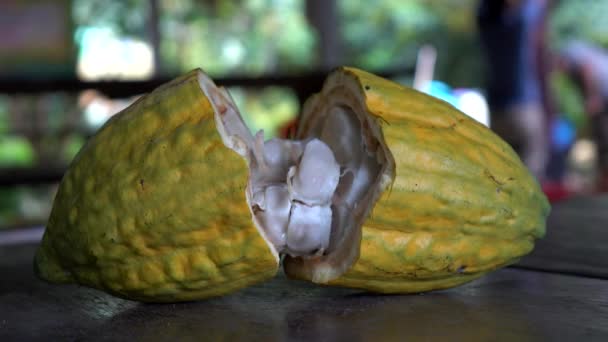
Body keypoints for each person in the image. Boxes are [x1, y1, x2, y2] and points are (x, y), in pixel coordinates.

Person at [477, 0, 554, 181]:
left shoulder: (485, 18)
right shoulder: (526, 18)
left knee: (502, 179)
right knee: (531, 182)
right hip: (526, 108)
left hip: (497, 111)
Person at [556, 40, 608, 191]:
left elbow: (587, 69)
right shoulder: (578, 50)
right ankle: (602, 179)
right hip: (603, 95)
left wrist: (592, 98)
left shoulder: (571, 52)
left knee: (603, 136)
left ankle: (604, 180)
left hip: (604, 94)